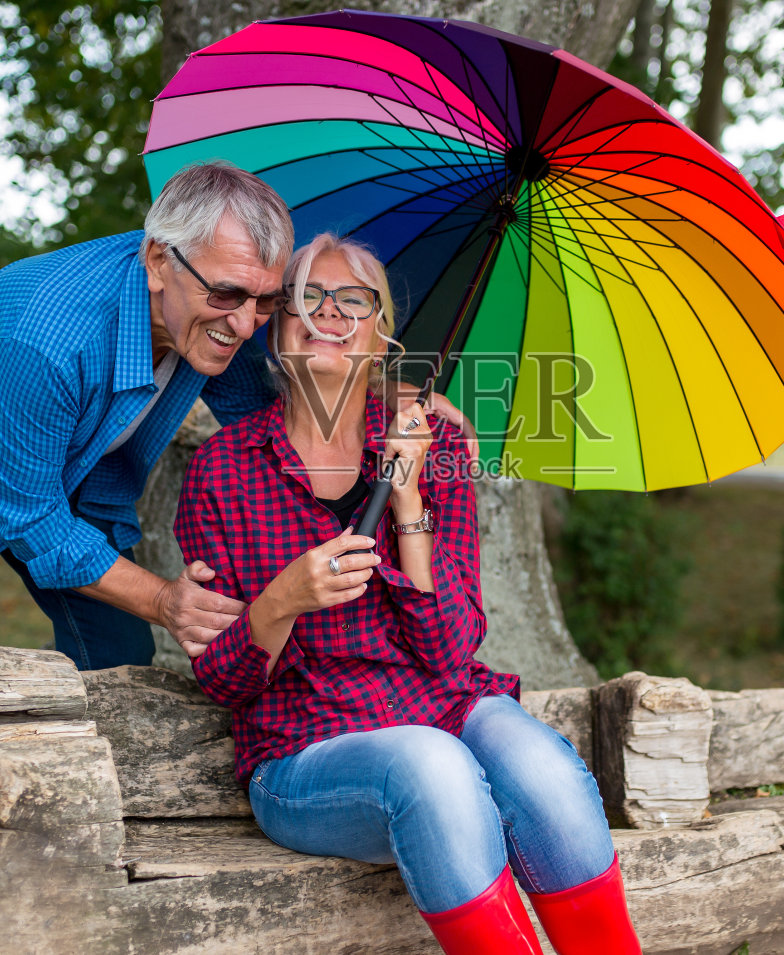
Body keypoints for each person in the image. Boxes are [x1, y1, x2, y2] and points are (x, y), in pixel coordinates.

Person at [0, 163, 475, 955]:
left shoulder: (222, 305)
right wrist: (164, 597)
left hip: (68, 469)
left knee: (114, 661)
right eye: (227, 295)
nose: (245, 323)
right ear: (155, 262)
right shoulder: (41, 334)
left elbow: (288, 410)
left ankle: (44, 849)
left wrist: (400, 402)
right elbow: (27, 515)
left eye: (265, 301)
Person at [176, 234, 642, 955]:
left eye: (353, 299)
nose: (328, 311)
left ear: (380, 335)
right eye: (307, 295)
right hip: (305, 749)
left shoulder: (434, 447)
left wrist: (408, 501)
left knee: (545, 773)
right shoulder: (224, 469)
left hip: (443, 704)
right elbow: (224, 679)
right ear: (276, 325)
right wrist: (284, 598)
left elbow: (452, 648)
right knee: (431, 764)